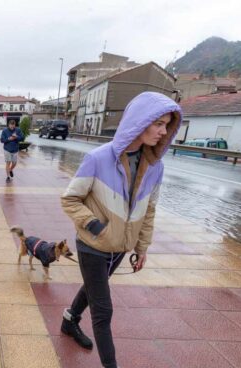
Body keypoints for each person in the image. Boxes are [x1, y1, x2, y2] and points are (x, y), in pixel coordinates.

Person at [59, 92, 181, 368]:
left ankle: (69, 321)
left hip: (120, 247)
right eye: (158, 123)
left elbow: (148, 209)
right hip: (93, 244)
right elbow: (70, 199)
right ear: (141, 121)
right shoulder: (98, 159)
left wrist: (142, 247)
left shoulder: (155, 166)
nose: (164, 132)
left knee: (92, 290)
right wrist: (94, 226)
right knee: (103, 310)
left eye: (167, 125)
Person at [0, 119, 23, 183]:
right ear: (8, 125)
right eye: (11, 126)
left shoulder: (18, 130)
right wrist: (8, 139)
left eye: (13, 126)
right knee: (8, 162)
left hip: (15, 149)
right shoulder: (5, 131)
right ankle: (8, 176)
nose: (12, 127)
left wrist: (16, 137)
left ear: (15, 125)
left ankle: (10, 170)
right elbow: (1, 140)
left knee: (14, 163)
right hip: (7, 149)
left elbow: (22, 138)